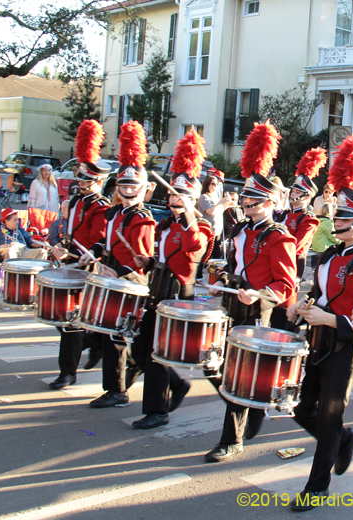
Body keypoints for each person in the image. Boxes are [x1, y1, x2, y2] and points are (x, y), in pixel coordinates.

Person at [286, 135, 353, 511]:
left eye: (346, 218)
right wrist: (303, 305)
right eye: (338, 216)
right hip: (317, 341)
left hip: (344, 348)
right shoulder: (329, 255)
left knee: (329, 417)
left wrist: (329, 318)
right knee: (301, 409)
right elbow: (321, 291)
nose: (338, 222)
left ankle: (316, 487)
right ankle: (344, 441)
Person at [205, 121, 297, 463]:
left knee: (238, 373)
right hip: (233, 302)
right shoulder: (241, 230)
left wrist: (258, 295)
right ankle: (252, 403)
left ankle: (231, 438)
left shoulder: (279, 237)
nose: (245, 202)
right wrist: (225, 275)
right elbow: (237, 265)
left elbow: (286, 285)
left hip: (259, 309)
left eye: (252, 199)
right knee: (216, 368)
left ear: (268, 202)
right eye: (245, 197)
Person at [126, 130, 210, 429]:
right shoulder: (165, 225)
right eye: (174, 194)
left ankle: (157, 411)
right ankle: (179, 384)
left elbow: (196, 247)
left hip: (177, 295)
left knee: (156, 355)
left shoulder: (199, 226)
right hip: (156, 291)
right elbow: (162, 258)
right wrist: (148, 262)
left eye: (183, 196)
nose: (175, 200)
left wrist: (189, 214)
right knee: (139, 349)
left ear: (193, 199)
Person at [81, 121, 157, 410]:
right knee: (107, 334)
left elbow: (140, 257)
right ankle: (115, 387)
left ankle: (118, 392)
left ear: (143, 189)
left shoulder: (143, 218)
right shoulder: (114, 212)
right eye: (123, 185)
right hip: (110, 275)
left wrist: (119, 272)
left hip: (128, 281)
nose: (126, 189)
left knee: (116, 339)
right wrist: (94, 252)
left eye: (132, 185)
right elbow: (106, 242)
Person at [47, 120, 111, 390]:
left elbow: (99, 238)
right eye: (80, 178)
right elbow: (66, 230)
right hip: (69, 261)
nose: (81, 182)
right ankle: (93, 343)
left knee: (70, 320)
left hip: (86, 266)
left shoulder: (101, 206)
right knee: (62, 318)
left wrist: (87, 254)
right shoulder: (74, 201)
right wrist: (57, 246)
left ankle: (68, 372)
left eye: (86, 179)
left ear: (98, 181)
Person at [277, 148, 325, 279]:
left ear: (307, 197)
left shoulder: (309, 219)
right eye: (293, 191)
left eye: (298, 193)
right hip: (277, 257)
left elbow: (296, 243)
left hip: (293, 260)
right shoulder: (284, 214)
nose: (293, 194)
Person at [198, 169, 231, 273]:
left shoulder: (215, 197)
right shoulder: (203, 197)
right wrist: (220, 202)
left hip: (216, 231)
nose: (215, 186)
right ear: (207, 184)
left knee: (216, 257)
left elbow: (220, 210)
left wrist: (226, 203)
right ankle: (198, 275)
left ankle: (214, 276)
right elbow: (211, 211)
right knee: (204, 255)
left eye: (216, 184)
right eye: (213, 184)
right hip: (207, 231)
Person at [309, 203, 339, 269]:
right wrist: (341, 240)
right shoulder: (327, 222)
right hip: (323, 248)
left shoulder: (318, 219)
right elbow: (333, 237)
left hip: (316, 246)